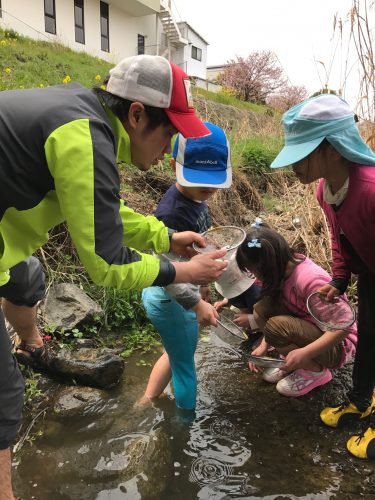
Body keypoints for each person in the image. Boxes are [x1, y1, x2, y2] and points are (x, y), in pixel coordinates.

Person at [0, 55, 229, 499]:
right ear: (137, 114)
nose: (168, 152)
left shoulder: (83, 119)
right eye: (169, 135)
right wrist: (181, 270)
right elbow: (105, 264)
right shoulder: (84, 135)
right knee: (3, 393)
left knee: (25, 278)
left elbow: (99, 208)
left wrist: (163, 234)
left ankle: (31, 346)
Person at [270, 93, 375, 460]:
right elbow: (338, 237)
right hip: (369, 275)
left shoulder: (370, 189)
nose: (293, 164)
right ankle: (359, 401)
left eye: (302, 153)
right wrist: (341, 280)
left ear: (333, 148)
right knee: (369, 341)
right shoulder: (324, 189)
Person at [141, 122, 232, 410]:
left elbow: (197, 251)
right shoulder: (172, 211)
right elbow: (168, 271)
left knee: (176, 352)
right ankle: (183, 431)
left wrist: (203, 287)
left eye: (213, 180)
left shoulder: (196, 198)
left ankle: (147, 400)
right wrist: (196, 304)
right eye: (199, 179)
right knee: (185, 366)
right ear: (173, 166)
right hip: (171, 299)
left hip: (176, 295)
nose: (208, 187)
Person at [235, 224, 357, 397]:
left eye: (255, 272)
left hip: (339, 347)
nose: (255, 277)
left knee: (276, 327)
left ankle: (315, 371)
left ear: (267, 266)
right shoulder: (281, 271)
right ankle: (291, 358)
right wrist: (264, 345)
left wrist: (305, 353)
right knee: (261, 308)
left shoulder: (311, 280)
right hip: (309, 327)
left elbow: (344, 328)